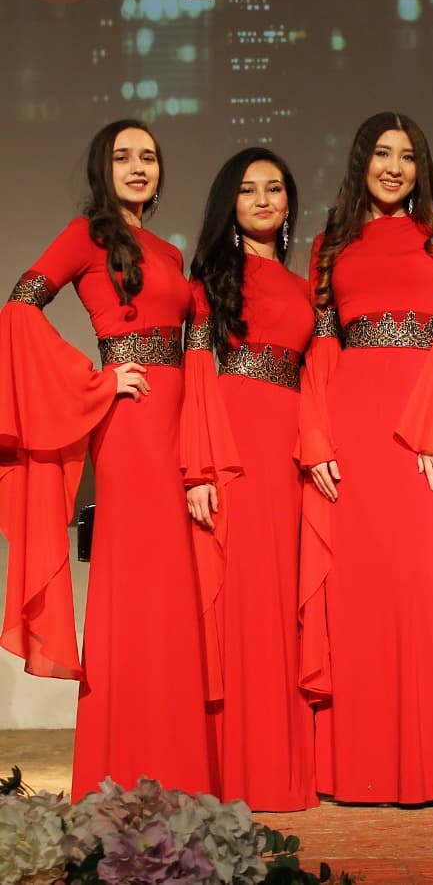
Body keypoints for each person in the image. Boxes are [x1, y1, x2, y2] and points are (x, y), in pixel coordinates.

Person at [0, 119, 211, 799]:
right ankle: (119, 765)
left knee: (174, 592)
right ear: (103, 168)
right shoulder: (87, 235)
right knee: (137, 585)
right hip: (132, 427)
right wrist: (96, 381)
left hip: (178, 424)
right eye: (123, 157)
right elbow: (20, 308)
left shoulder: (169, 253)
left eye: (148, 156)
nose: (138, 167)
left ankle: (175, 763)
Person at [299, 111, 433, 808]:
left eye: (407, 156)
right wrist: (316, 436)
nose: (394, 168)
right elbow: (322, 348)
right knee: (358, 597)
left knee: (423, 587)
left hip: (421, 432)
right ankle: (358, 770)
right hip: (353, 430)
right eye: (382, 153)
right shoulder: (329, 245)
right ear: (361, 161)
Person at [182, 148, 318, 811]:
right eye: (247, 190)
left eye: (274, 189)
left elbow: (318, 374)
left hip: (289, 448)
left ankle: (280, 769)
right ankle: (236, 772)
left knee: (284, 603)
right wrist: (198, 467)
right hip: (234, 448)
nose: (262, 199)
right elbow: (197, 376)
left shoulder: (304, 288)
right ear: (229, 204)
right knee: (242, 604)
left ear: (289, 202)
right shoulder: (210, 280)